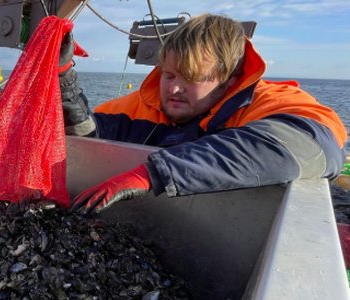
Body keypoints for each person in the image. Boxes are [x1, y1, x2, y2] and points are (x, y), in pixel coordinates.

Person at [59, 13, 348, 214]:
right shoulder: (137, 106)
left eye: (192, 78)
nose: (173, 90)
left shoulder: (273, 102)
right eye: (169, 75)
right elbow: (87, 136)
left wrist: (153, 173)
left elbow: (314, 149)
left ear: (230, 79)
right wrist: (63, 83)